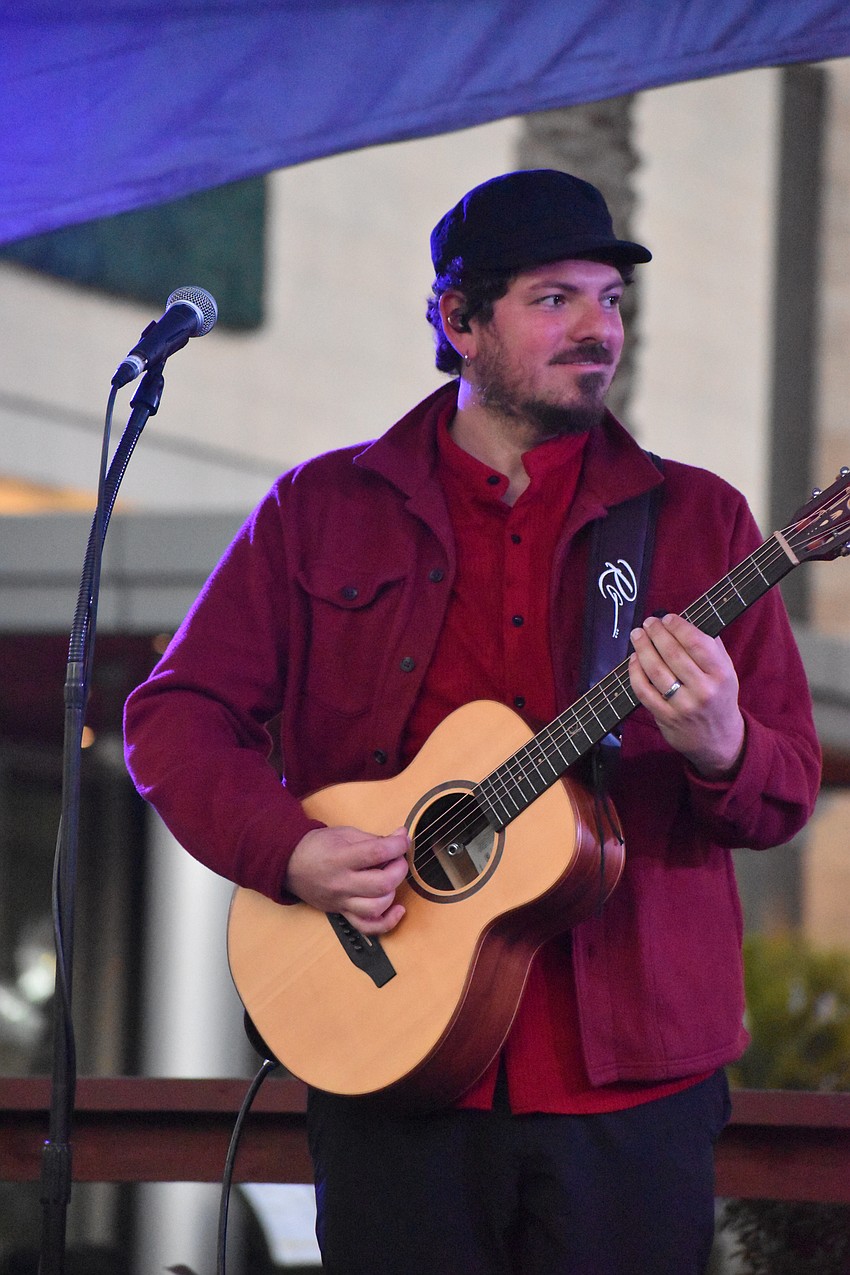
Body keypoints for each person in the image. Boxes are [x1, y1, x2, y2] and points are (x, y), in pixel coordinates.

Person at [123, 169, 821, 1274]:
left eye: (612, 299)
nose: (599, 328)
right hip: (387, 1058)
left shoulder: (698, 520)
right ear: (456, 319)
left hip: (628, 1083)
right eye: (556, 299)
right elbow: (176, 717)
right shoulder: (319, 510)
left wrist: (721, 744)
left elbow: (783, 784)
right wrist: (292, 851)